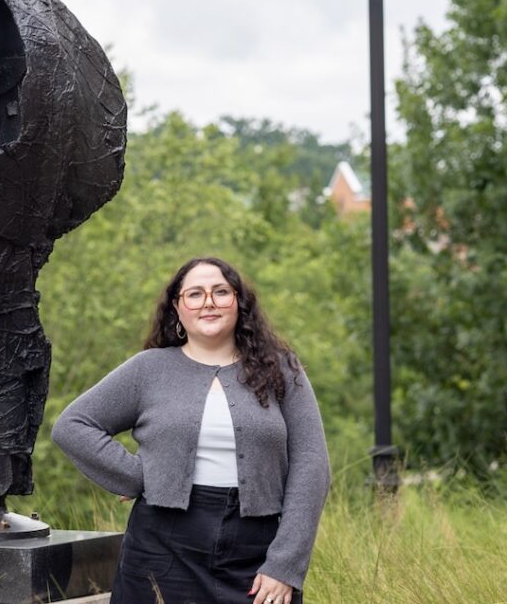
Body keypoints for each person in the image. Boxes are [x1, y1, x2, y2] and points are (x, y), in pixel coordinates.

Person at [51, 257, 330, 604]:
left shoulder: (283, 370)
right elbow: (73, 426)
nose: (208, 302)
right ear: (178, 308)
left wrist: (284, 565)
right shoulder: (148, 369)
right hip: (161, 549)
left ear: (239, 303)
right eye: (195, 294)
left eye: (221, 292)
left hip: (257, 552)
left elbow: (311, 463)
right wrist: (138, 476)